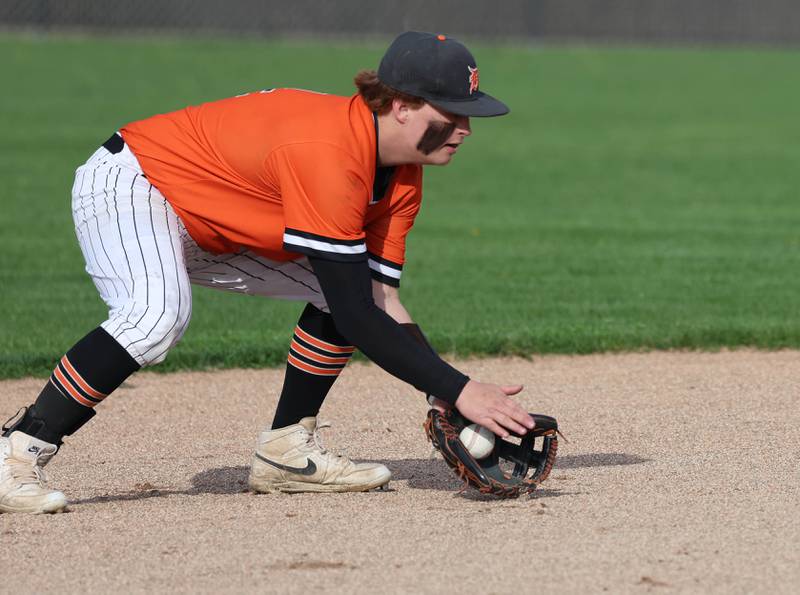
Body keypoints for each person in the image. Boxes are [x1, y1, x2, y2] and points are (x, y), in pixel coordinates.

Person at [0, 31, 535, 513]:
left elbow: (378, 300)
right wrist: (461, 387)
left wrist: (441, 393)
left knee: (340, 296)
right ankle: (16, 453)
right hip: (136, 184)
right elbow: (358, 313)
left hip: (213, 216)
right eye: (450, 112)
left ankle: (286, 450)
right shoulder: (330, 152)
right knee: (156, 316)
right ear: (399, 106)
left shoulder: (401, 178)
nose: (465, 128)